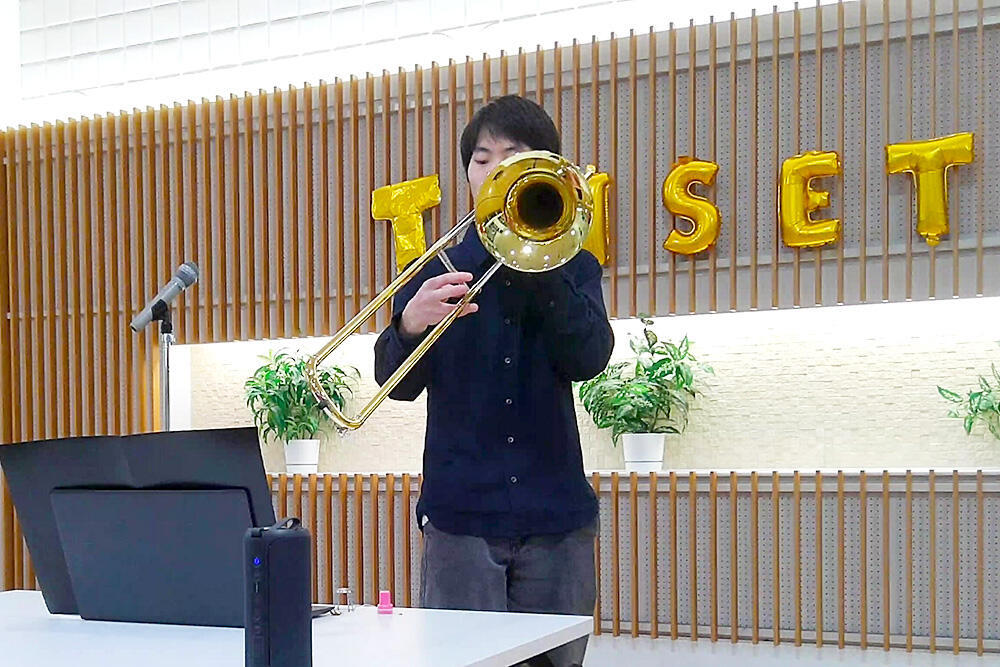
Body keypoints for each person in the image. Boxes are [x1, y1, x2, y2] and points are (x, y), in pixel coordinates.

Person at [374, 94, 614, 667]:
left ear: (544, 167)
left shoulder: (576, 265)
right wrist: (409, 324)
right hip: (461, 519)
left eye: (511, 155)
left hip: (556, 518)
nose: (493, 169)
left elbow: (590, 358)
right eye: (481, 159)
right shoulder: (433, 269)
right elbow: (394, 382)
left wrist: (542, 266)